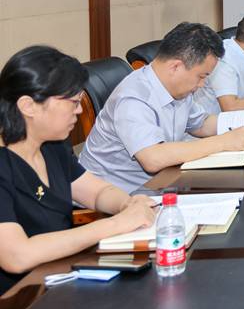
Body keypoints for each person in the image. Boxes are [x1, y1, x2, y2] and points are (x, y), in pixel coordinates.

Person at [0, 46, 157, 294]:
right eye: (72, 102)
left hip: (59, 277)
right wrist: (116, 224)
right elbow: (16, 256)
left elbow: (96, 192)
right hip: (17, 301)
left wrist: (127, 204)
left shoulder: (51, 145)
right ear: (28, 106)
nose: (80, 110)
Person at [79, 23, 244, 194]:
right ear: (175, 66)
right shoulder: (134, 97)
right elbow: (152, 158)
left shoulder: (178, 88)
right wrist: (222, 142)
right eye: (201, 76)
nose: (202, 84)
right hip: (119, 196)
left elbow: (202, 124)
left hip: (164, 180)